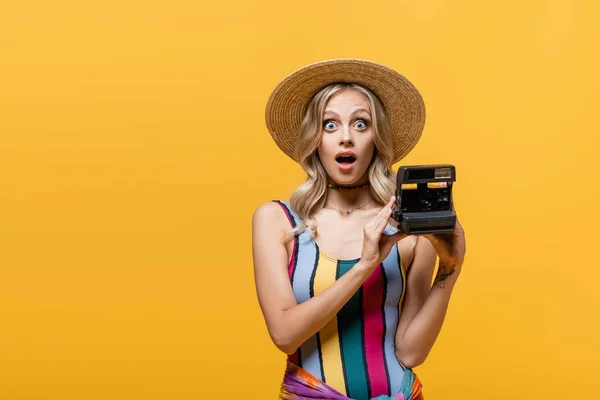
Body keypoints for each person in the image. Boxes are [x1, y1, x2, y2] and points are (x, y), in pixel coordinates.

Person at [252, 59, 466, 400]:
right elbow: (285, 335)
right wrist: (365, 266)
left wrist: (450, 269)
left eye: (361, 124)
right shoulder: (278, 221)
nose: (347, 138)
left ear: (376, 139)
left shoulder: (407, 233)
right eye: (330, 124)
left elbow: (410, 353)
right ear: (315, 139)